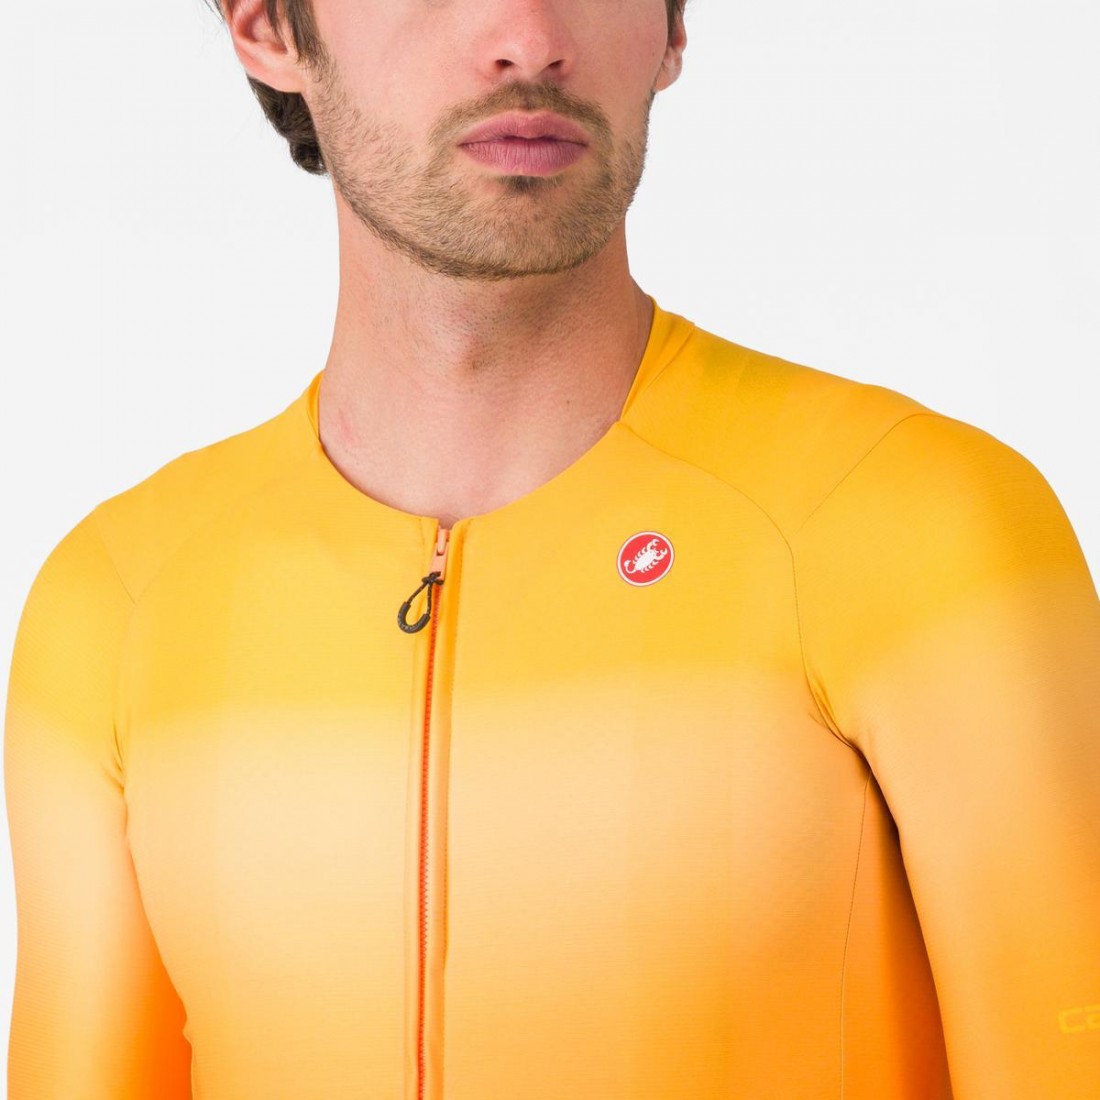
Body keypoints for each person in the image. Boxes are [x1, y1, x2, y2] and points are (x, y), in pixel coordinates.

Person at [4, 0, 1098, 1095]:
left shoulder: (917, 527)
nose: (529, 36)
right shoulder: (118, 605)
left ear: (671, 29)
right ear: (264, 27)